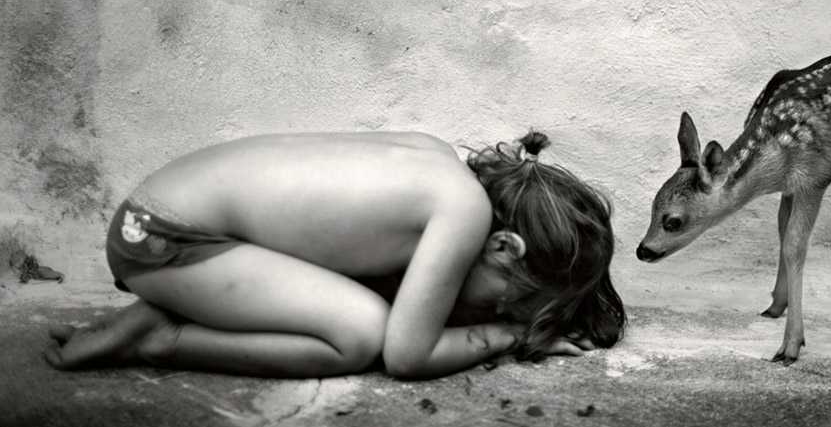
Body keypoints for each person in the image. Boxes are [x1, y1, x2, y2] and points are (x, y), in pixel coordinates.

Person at [44, 129, 625, 379]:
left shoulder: (435, 159)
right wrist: (509, 339)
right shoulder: (464, 213)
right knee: (361, 334)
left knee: (365, 299)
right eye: (511, 301)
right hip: (169, 241)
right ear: (504, 246)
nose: (496, 313)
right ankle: (162, 339)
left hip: (160, 215)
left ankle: (180, 308)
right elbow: (406, 354)